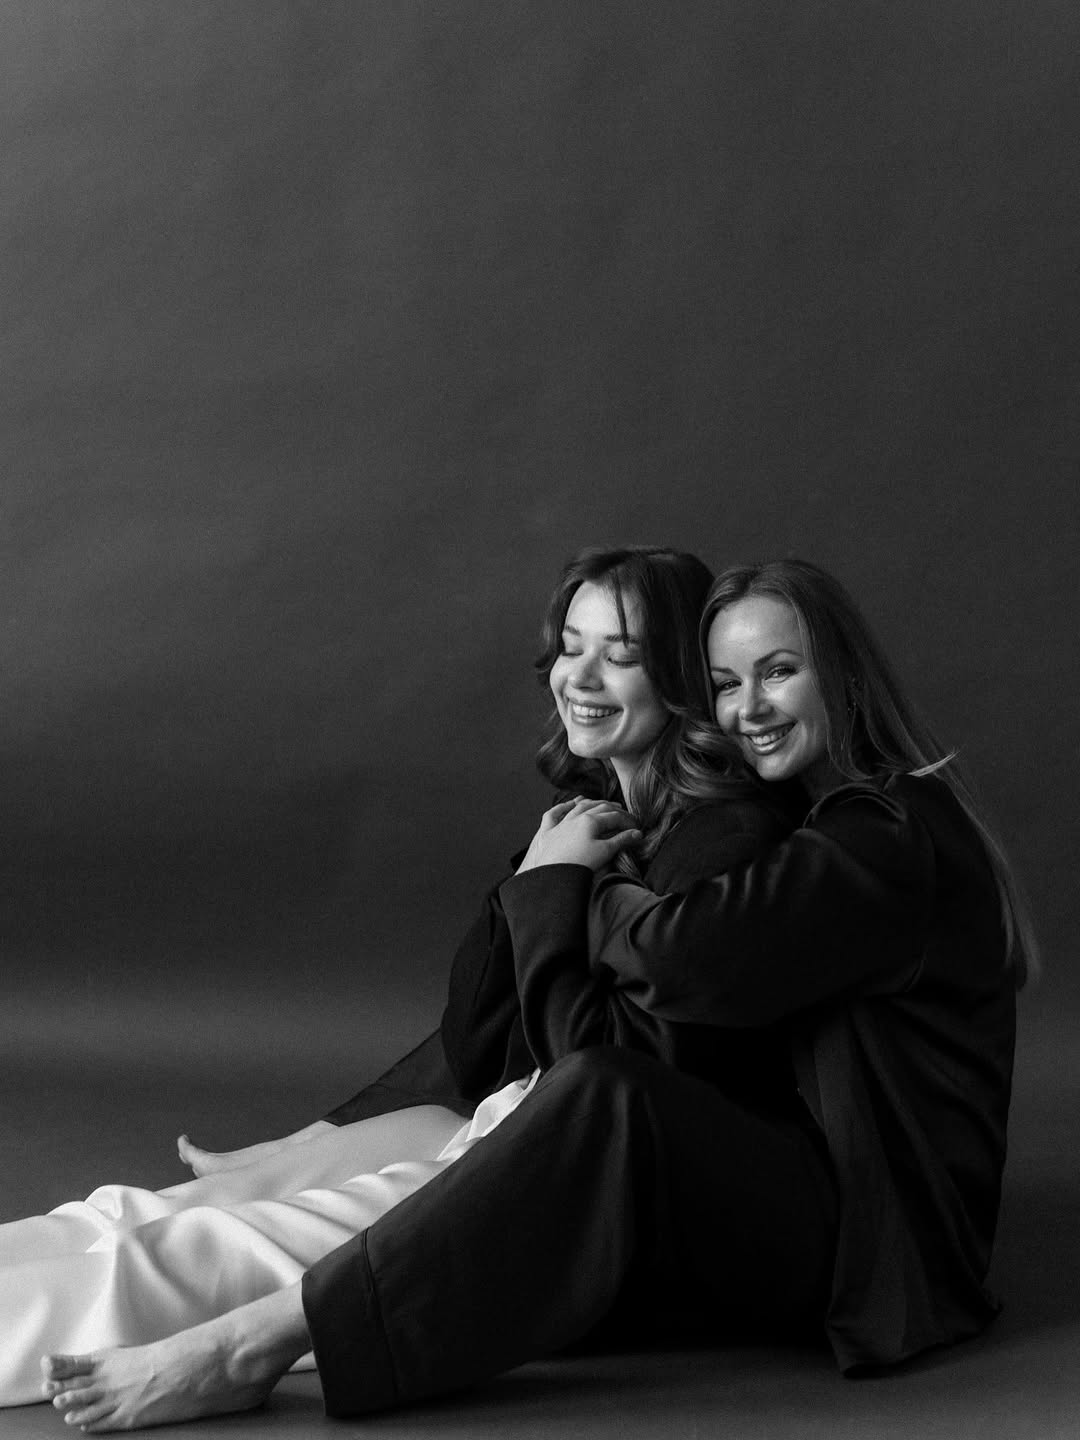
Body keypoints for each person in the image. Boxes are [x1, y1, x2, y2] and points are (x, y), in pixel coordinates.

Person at [39, 555, 1034, 1431]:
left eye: (779, 672)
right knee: (551, 1116)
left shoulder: (883, 832)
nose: (749, 711)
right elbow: (486, 1038)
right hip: (830, 1205)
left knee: (608, 1094)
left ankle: (252, 1345)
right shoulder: (831, 822)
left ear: (845, 674)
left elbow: (681, 960)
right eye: (728, 683)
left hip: (880, 1246)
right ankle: (271, 1311)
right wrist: (325, 1133)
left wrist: (565, 891)